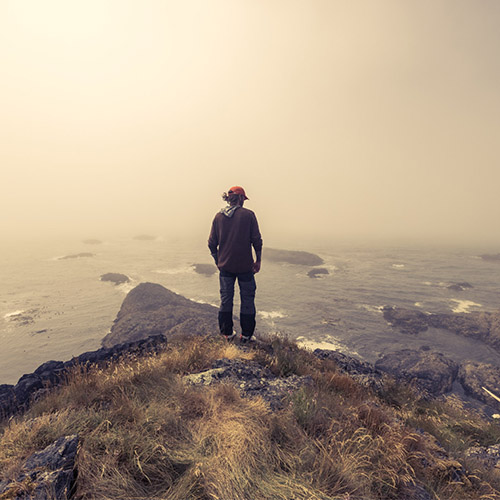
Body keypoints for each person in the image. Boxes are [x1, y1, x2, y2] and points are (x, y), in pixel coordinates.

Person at [208, 186, 262, 342]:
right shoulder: (249, 215)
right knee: (247, 299)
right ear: (240, 199)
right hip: (245, 267)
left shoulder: (218, 217)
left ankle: (226, 334)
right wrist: (258, 260)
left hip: (225, 268)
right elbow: (257, 241)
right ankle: (246, 336)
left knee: (226, 299)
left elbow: (212, 243)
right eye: (243, 199)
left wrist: (217, 260)